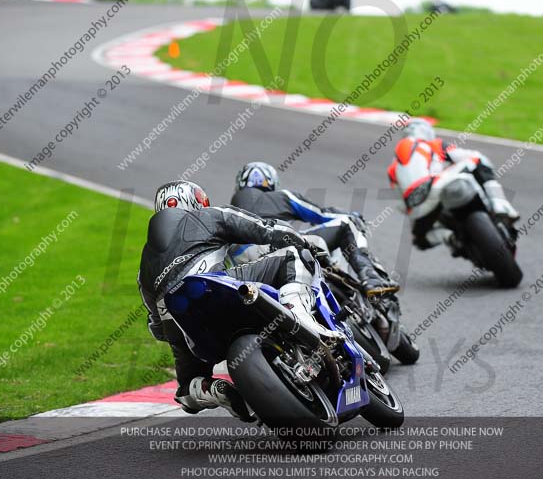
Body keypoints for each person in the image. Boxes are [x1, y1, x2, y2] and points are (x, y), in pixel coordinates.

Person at [137, 180, 341, 420]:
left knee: (186, 390)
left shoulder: (144, 264)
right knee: (293, 256)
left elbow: (157, 327)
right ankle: (302, 318)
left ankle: (210, 390)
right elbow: (264, 229)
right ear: (194, 201)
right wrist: (299, 239)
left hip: (184, 323)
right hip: (213, 287)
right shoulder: (207, 216)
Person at [229, 162, 399, 298]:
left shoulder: (229, 212)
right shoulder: (283, 196)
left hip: (244, 266)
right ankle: (370, 277)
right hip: (283, 248)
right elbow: (321, 214)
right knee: (347, 223)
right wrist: (353, 215)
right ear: (272, 182)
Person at [387, 119, 519, 250]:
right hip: (437, 187)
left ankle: (449, 237)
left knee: (420, 241)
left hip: (417, 206)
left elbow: (401, 201)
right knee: (479, 159)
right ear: (427, 132)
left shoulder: (393, 167)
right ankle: (500, 205)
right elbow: (466, 156)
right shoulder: (434, 144)